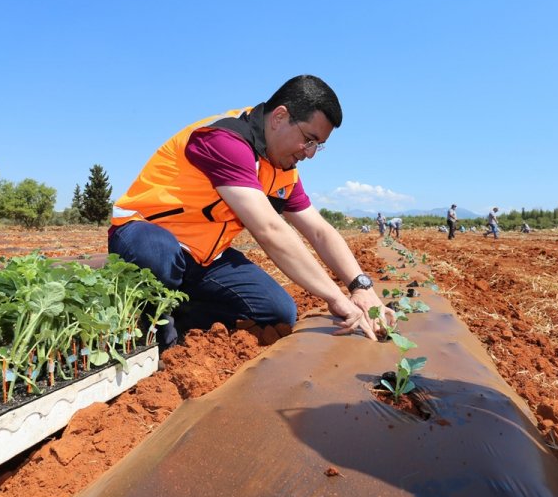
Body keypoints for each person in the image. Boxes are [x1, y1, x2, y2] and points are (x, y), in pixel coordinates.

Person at [108, 75, 397, 351]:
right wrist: (334, 297)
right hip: (143, 234)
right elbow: (269, 230)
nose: (310, 153)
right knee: (157, 253)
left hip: (203, 257)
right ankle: (150, 336)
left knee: (278, 311)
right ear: (279, 117)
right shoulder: (225, 140)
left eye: (317, 146)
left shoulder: (281, 169)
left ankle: (183, 315)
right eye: (309, 139)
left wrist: (360, 287)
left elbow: (319, 231)